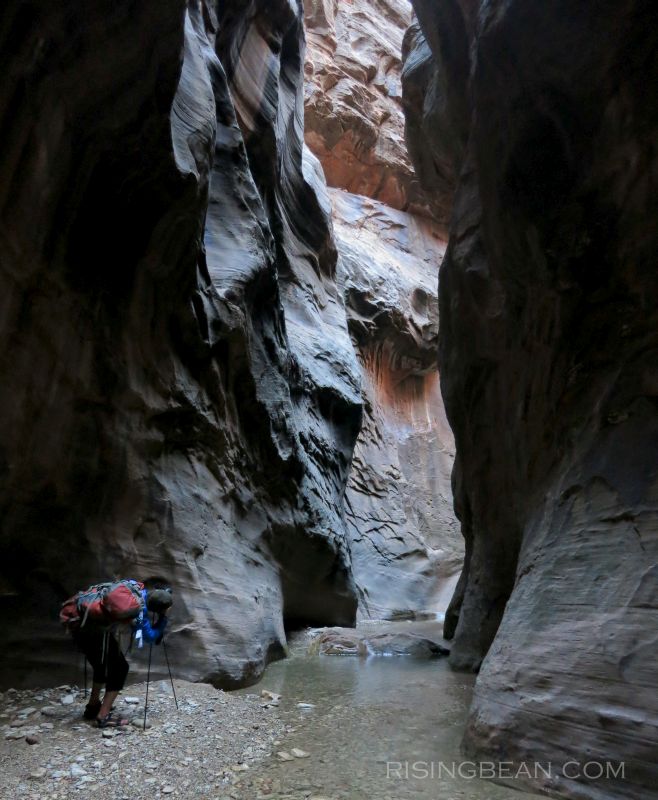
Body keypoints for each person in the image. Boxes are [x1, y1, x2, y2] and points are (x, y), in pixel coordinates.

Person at [73, 584, 172, 728]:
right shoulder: (139, 610)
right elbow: (150, 637)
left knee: (101, 665)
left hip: (79, 622)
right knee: (121, 668)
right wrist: (163, 618)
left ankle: (93, 707)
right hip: (94, 632)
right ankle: (102, 717)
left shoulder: (134, 587)